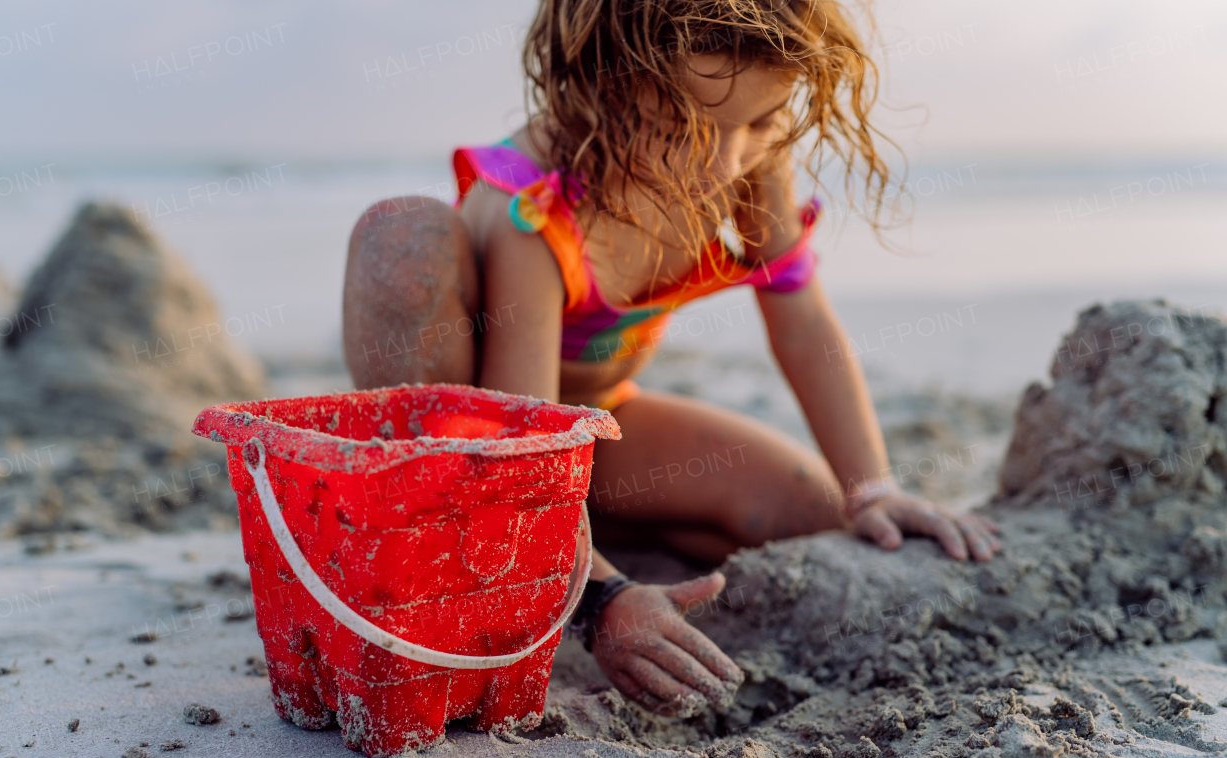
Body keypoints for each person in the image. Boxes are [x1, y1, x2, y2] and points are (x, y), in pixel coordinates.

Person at [342, 0, 999, 718]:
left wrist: (873, 487)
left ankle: (585, 537)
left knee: (813, 513)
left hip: (601, 424)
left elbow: (803, 320)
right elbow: (524, 453)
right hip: (484, 453)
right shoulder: (536, 203)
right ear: (606, 88)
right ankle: (487, 550)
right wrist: (606, 600)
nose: (724, 162)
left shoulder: (748, 158)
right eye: (679, 126)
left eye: (760, 120)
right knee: (404, 240)